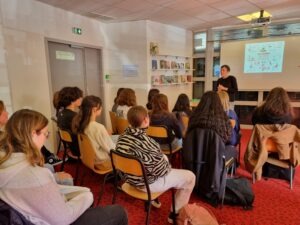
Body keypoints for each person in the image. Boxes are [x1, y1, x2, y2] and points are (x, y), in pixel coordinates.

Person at [0, 109, 128, 225]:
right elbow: (62, 219)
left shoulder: (5, 161)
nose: (46, 138)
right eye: (46, 134)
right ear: (33, 134)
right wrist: (86, 196)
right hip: (52, 220)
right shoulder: (35, 175)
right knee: (118, 212)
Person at [116, 106, 195, 224]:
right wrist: (167, 164)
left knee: (162, 157)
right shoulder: (148, 143)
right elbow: (162, 171)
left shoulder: (122, 138)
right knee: (190, 177)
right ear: (145, 120)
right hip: (147, 184)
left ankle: (155, 200)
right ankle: (175, 215)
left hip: (130, 180)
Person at [187, 91, 236, 161]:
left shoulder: (193, 119)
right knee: (233, 150)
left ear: (201, 103)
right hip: (215, 160)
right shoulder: (223, 121)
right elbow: (232, 141)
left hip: (196, 156)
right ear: (218, 103)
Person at [72, 95, 115, 170]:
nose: (102, 108)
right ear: (94, 109)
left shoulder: (81, 124)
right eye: (100, 107)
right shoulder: (98, 128)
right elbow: (112, 149)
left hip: (89, 159)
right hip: (103, 163)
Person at [57, 86, 83, 157]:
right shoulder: (73, 116)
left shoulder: (61, 113)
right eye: (79, 97)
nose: (81, 98)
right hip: (80, 149)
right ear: (72, 100)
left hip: (72, 147)